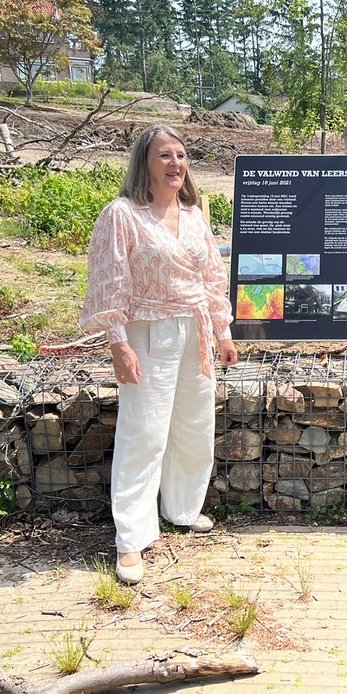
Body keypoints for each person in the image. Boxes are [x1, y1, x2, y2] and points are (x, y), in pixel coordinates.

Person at [80, 124, 238, 584]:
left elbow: (212, 276)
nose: (175, 163)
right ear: (144, 164)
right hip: (146, 331)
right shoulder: (121, 215)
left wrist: (223, 332)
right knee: (144, 434)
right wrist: (117, 341)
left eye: (181, 155)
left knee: (193, 425)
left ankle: (182, 509)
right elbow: (109, 281)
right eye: (164, 156)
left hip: (195, 331)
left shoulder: (193, 216)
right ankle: (131, 539)